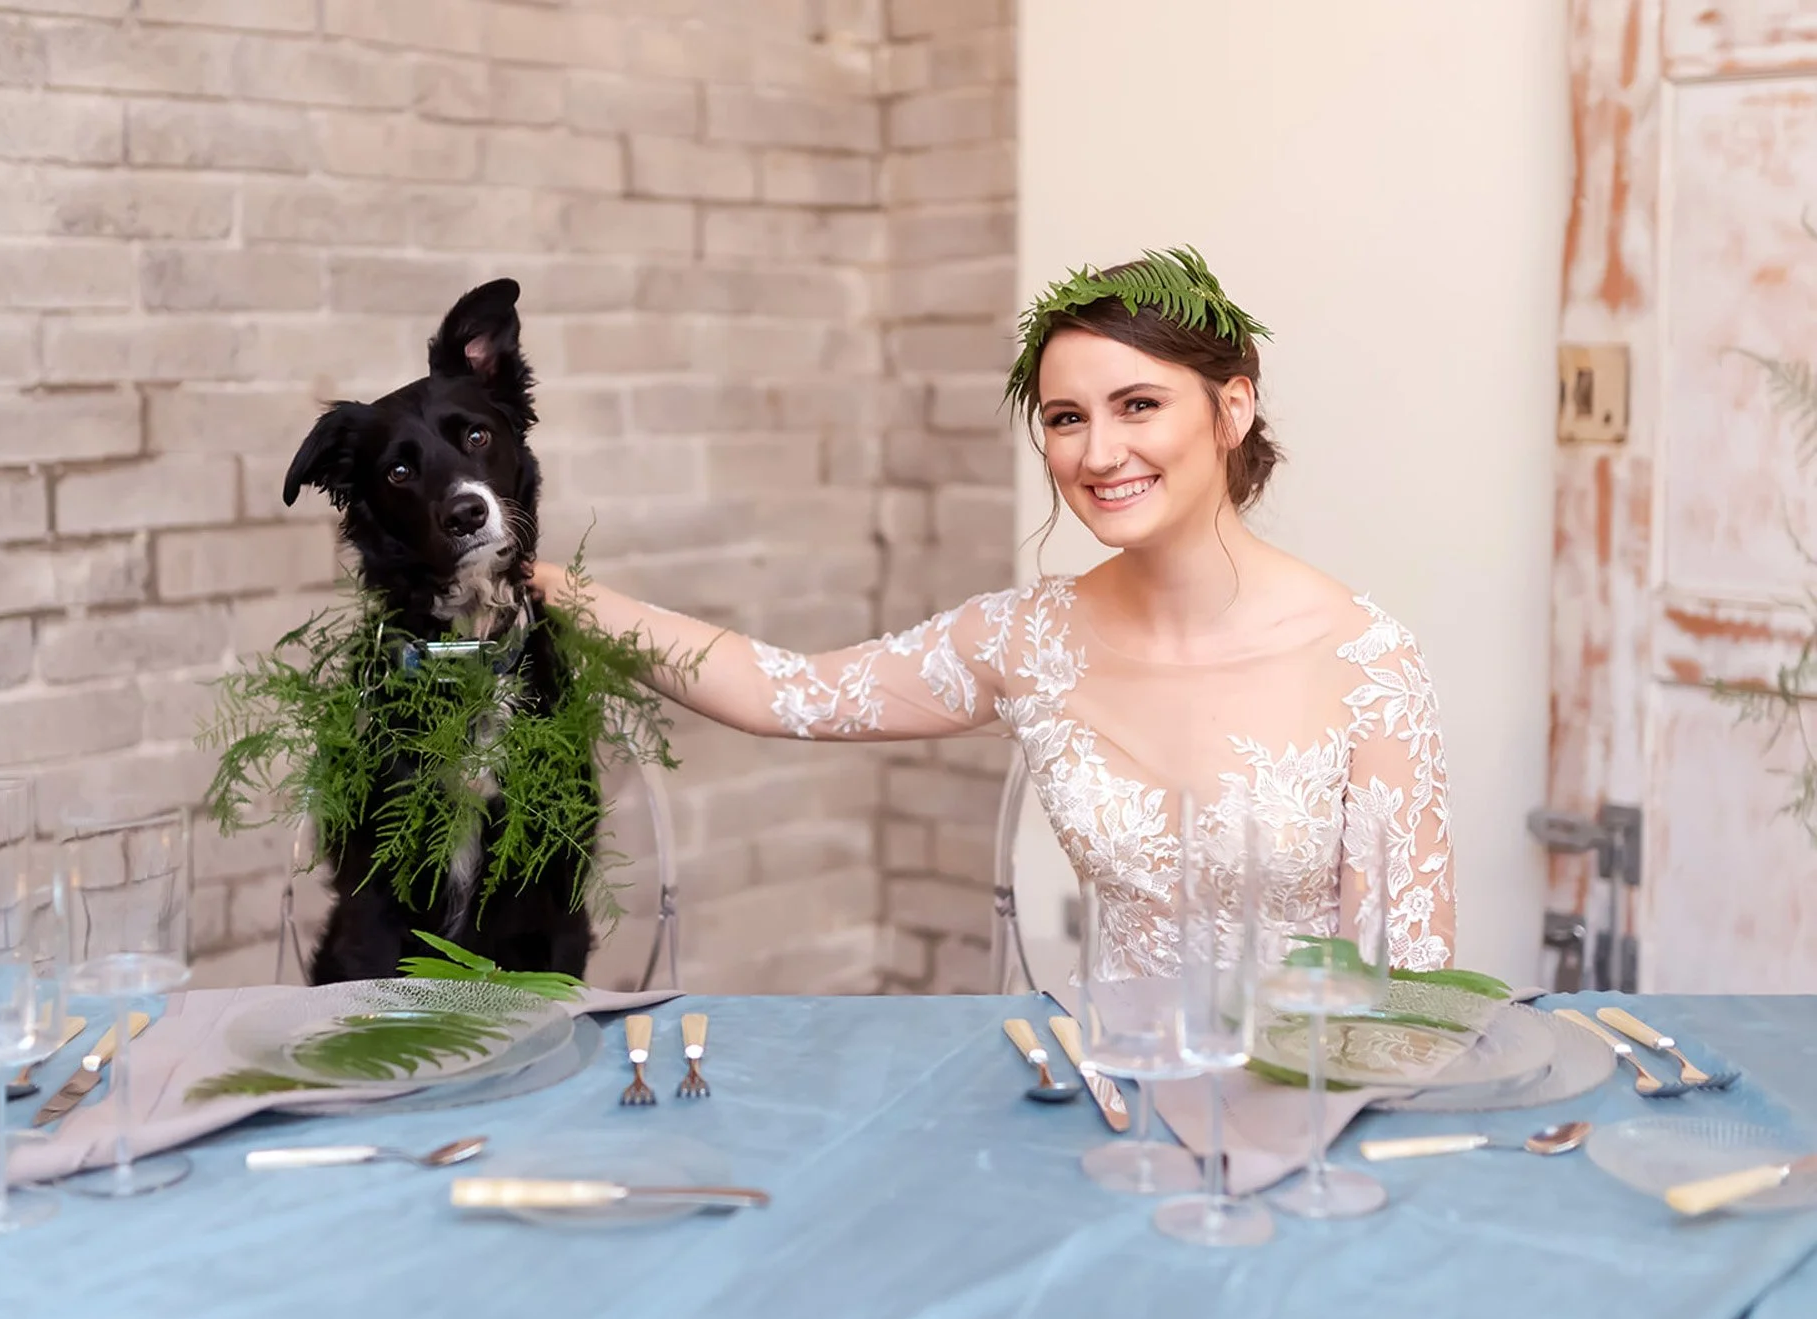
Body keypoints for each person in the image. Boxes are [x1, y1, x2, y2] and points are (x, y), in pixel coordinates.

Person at [532, 247, 1453, 978]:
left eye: (1139, 404)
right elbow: (786, 691)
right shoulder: (1026, 639)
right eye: (1065, 417)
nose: (1100, 453)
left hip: (1312, 1110)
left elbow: (1406, 991)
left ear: (1233, 409)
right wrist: (550, 589)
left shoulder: (1362, 659)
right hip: (1116, 1092)